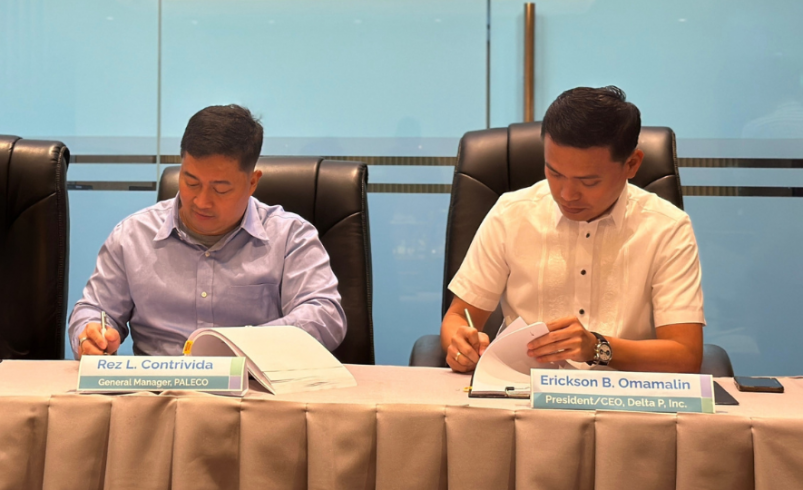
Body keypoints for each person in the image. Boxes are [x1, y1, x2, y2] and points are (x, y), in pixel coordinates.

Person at [440, 86, 705, 373]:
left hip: (626, 394)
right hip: (524, 390)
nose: (566, 194)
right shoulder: (511, 214)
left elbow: (685, 355)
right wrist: (461, 343)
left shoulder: (667, 227)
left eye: (588, 182)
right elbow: (458, 318)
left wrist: (598, 348)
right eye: (554, 173)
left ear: (631, 164)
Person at [69, 104, 346, 358]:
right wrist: (90, 334)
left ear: (252, 182)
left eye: (220, 189)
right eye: (191, 182)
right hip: (157, 389)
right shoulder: (133, 235)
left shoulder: (290, 237)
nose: (202, 202)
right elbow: (94, 310)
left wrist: (242, 346)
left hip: (253, 387)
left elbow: (325, 315)